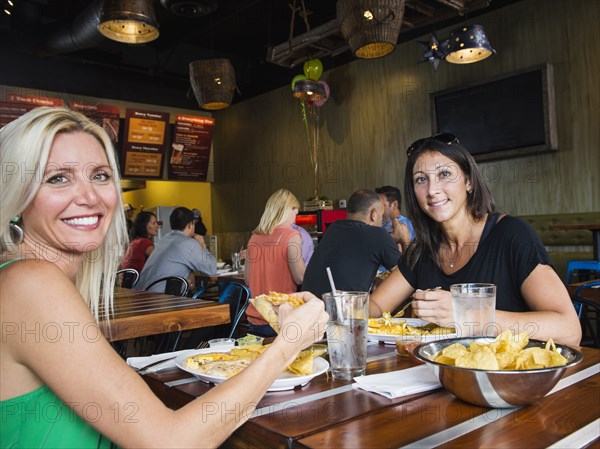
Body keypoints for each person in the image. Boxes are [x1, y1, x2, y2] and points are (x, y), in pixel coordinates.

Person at [0, 107, 329, 448]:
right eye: (57, 178)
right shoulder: (30, 283)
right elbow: (170, 442)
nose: (90, 196)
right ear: (16, 195)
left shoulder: (33, 281)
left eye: (99, 175)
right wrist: (288, 344)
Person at [370, 133, 581, 346]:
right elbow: (376, 307)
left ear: (469, 181)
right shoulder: (423, 250)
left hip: (505, 377)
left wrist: (466, 315)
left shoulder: (512, 236)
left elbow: (569, 329)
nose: (432, 190)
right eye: (421, 179)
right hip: (439, 374)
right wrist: (343, 304)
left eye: (444, 174)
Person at [302, 189, 401, 298]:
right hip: (342, 311)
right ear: (374, 214)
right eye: (381, 216)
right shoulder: (378, 234)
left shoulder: (333, 229)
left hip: (307, 305)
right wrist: (404, 240)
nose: (381, 221)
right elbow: (404, 277)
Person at [245, 189, 305, 336]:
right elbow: (300, 277)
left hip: (254, 318)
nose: (295, 221)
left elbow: (247, 279)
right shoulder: (292, 236)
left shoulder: (254, 237)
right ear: (287, 210)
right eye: (295, 214)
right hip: (279, 318)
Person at [136, 207, 216, 292]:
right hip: (160, 299)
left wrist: (190, 273)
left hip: (141, 294)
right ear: (190, 224)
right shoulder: (189, 243)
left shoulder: (164, 239)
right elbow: (211, 269)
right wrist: (202, 244)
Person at [375, 185, 415, 252]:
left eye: (380, 205)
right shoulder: (380, 223)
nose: (376, 209)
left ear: (395, 205)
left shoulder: (404, 225)